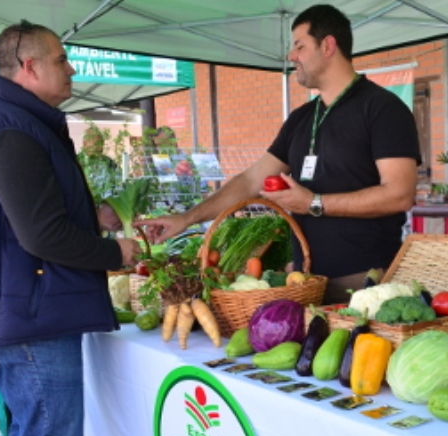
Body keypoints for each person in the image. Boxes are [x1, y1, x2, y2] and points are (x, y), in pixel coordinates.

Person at [0, 20, 142, 436]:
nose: (71, 69)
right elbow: (43, 235)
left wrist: (93, 216)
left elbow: (27, 213)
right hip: (28, 317)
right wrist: (115, 252)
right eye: (60, 60)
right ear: (29, 67)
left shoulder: (16, 121)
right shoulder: (11, 129)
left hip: (21, 309)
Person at [139, 4, 421, 304]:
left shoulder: (382, 109)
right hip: (305, 281)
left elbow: (399, 194)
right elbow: (250, 181)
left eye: (299, 46)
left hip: (364, 283)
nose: (291, 56)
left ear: (328, 45)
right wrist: (187, 218)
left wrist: (313, 203)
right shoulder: (301, 118)